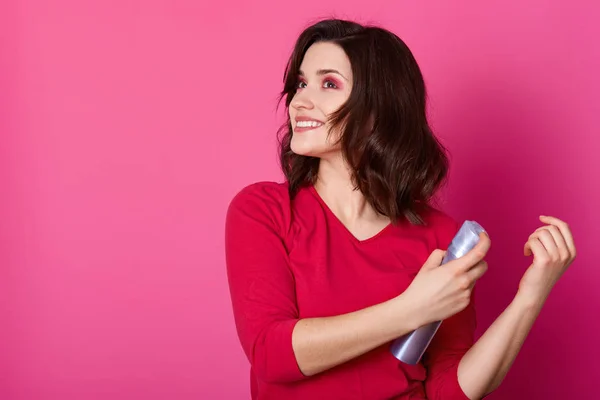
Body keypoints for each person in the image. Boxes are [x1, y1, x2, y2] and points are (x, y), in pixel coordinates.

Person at [224, 19, 576, 400]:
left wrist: (531, 296)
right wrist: (411, 309)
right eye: (301, 83)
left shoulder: (440, 236)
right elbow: (270, 353)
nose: (299, 101)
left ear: (379, 107)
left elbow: (448, 389)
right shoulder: (263, 210)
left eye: (329, 84)